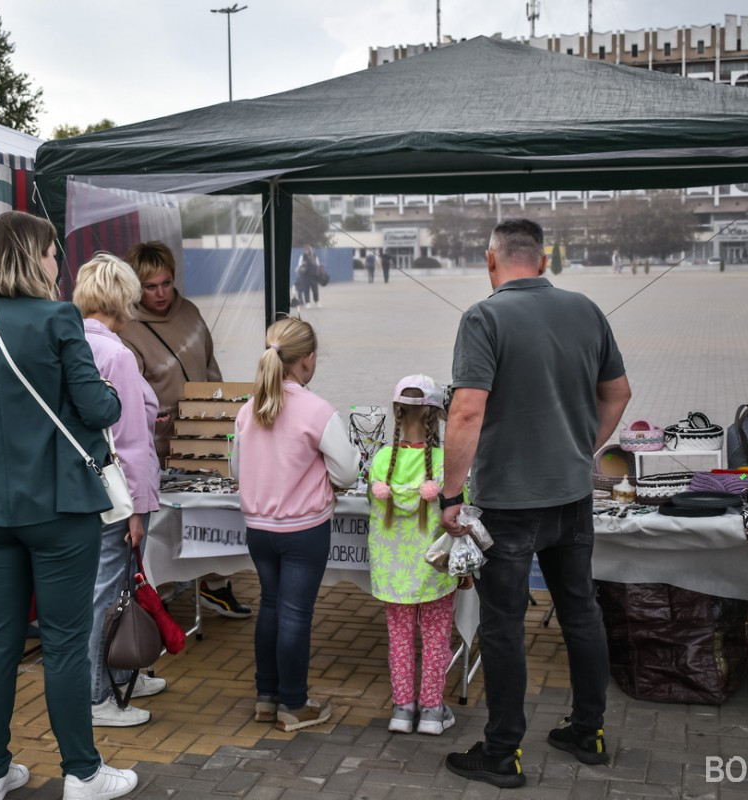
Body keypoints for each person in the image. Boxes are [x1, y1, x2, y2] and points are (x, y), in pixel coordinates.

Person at [0, 211, 138, 800]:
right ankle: (81, 772)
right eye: (53, 252)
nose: (59, 263)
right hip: (57, 506)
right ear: (33, 257)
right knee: (64, 640)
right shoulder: (59, 318)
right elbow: (100, 409)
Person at [440, 219, 631, 789]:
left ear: (490, 260)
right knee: (580, 611)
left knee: (504, 625)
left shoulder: (483, 316)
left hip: (509, 503)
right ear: (543, 261)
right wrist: (581, 449)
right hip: (571, 495)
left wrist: (451, 494)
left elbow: (467, 412)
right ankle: (589, 732)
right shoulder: (587, 310)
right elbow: (618, 393)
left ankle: (503, 752)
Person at [230, 317, 359, 732]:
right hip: (304, 529)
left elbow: (235, 467)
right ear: (309, 360)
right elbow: (348, 472)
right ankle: (294, 704)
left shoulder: (249, 409)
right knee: (295, 613)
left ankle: (266, 697)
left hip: (258, 528)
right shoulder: (316, 409)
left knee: (271, 604)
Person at [120, 240, 251, 619]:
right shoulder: (128, 328)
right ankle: (153, 596)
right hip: (158, 444)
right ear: (135, 287)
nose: (161, 293)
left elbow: (210, 366)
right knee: (164, 524)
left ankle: (216, 586)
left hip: (203, 435)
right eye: (151, 286)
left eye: (166, 282)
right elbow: (132, 392)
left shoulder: (190, 312)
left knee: (213, 515)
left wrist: (221, 409)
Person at [72, 253, 166, 729]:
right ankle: (95, 694)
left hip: (85, 487)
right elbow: (128, 439)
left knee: (108, 588)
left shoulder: (72, 346)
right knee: (108, 590)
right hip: (120, 492)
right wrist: (136, 508)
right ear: (122, 297)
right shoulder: (117, 354)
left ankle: (119, 668)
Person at [368, 374, 460, 737]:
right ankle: (433, 711)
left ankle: (403, 710)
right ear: (435, 417)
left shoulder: (380, 461)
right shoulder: (445, 462)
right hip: (432, 567)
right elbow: (460, 510)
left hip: (393, 571)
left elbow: (370, 504)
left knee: (400, 637)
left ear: (396, 413)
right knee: (436, 637)